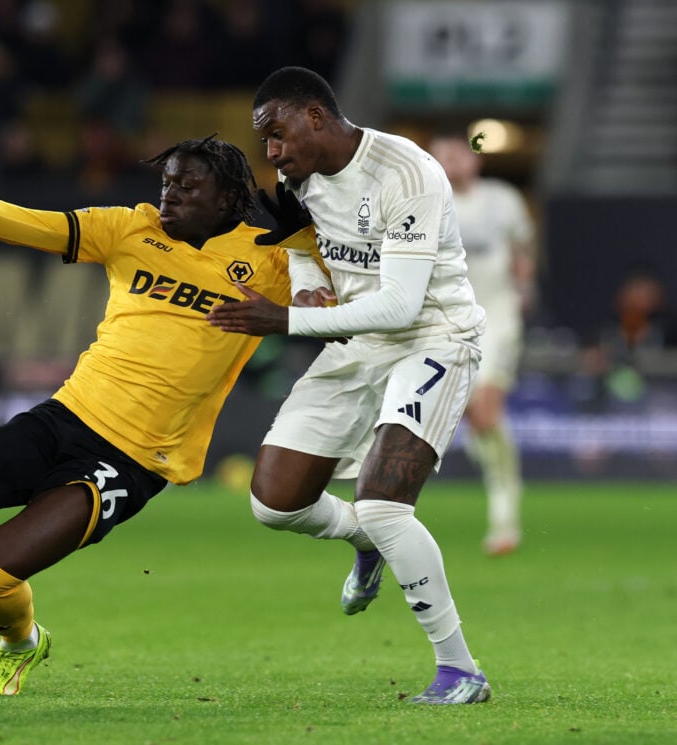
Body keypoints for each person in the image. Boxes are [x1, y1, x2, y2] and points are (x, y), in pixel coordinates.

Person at [0, 135, 290, 696]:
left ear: (226, 199)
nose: (168, 196)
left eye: (186, 186)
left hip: (134, 460)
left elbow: (350, 293)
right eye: (167, 182)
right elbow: (34, 225)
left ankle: (19, 645)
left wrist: (313, 234)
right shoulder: (131, 228)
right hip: (64, 416)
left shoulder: (271, 258)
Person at [206, 66, 491, 705]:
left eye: (276, 134)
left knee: (387, 502)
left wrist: (287, 318)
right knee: (274, 503)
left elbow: (399, 306)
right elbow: (303, 241)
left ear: (315, 115)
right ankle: (367, 541)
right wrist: (307, 278)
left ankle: (460, 671)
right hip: (355, 341)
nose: (272, 153)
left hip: (432, 337)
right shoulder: (295, 176)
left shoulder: (407, 174)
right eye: (265, 142)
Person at [429, 131, 537, 556]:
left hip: (498, 314)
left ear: (473, 159)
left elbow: (522, 248)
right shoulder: (429, 202)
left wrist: (524, 287)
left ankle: (505, 509)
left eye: (456, 154)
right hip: (450, 318)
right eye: (440, 157)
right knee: (476, 417)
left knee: (487, 409)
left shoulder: (503, 199)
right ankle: (502, 475)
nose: (450, 163)